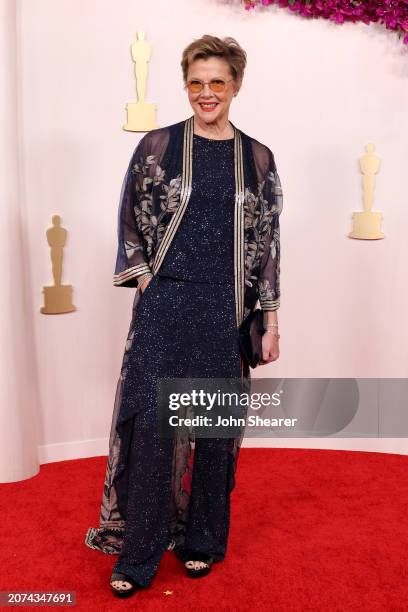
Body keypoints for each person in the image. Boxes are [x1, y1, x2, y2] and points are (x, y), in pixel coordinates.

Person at [84, 34, 283, 599]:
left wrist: (269, 318)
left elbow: (268, 243)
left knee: (212, 431)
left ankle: (201, 541)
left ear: (236, 85)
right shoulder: (159, 146)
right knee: (153, 429)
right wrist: (147, 281)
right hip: (166, 303)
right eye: (196, 82)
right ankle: (140, 553)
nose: (206, 93)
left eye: (217, 82)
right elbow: (130, 217)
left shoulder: (258, 157)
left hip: (225, 309)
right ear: (185, 86)